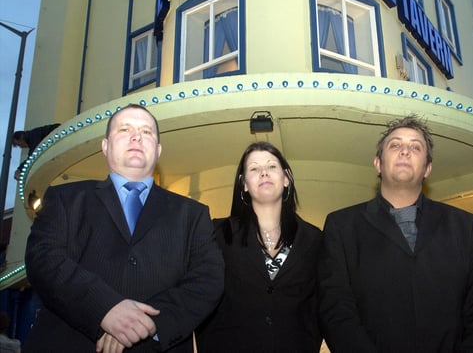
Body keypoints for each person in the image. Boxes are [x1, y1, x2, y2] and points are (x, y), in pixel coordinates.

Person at [24, 104, 225, 353]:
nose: (136, 136)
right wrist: (105, 308)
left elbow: (208, 280)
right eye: (125, 129)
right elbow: (43, 259)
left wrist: (146, 323)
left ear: (158, 150)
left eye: (147, 132)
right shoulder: (65, 198)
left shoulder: (193, 214)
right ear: (105, 146)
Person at [318, 115, 473, 352]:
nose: (405, 151)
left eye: (415, 146)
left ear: (427, 169)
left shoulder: (465, 226)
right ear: (378, 164)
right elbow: (336, 309)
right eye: (395, 145)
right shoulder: (341, 226)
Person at [196, 141, 322, 353]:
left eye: (272, 166)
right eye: (254, 168)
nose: (264, 172)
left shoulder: (314, 239)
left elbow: (320, 305)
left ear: (286, 179)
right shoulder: (217, 234)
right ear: (244, 184)